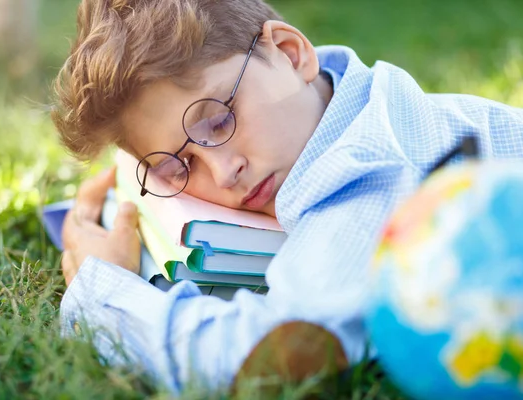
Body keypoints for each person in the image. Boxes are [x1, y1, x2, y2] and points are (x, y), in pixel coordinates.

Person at [52, 0, 523, 394]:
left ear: (291, 52)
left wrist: (102, 291)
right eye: (178, 166)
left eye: (218, 120)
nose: (224, 171)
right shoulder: (363, 104)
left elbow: (262, 358)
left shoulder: (365, 176)